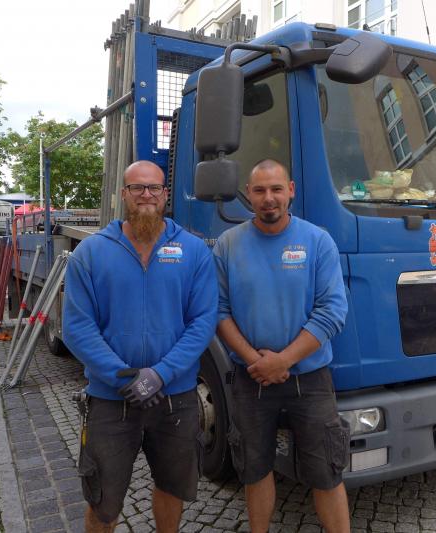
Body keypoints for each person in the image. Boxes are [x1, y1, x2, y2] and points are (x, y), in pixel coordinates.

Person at [62, 161, 217, 533]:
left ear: (165, 194)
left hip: (175, 399)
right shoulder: (92, 252)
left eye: (154, 188)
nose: (146, 195)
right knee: (103, 500)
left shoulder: (193, 251)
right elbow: (78, 327)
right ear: (124, 194)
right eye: (137, 188)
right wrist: (124, 378)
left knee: (172, 488)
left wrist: (160, 375)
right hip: (110, 400)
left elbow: (202, 322)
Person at [213, 159, 351, 533]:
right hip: (251, 379)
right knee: (254, 469)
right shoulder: (228, 245)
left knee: (327, 473)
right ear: (249, 195)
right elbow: (218, 311)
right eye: (259, 190)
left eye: (276, 189)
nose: (268, 198)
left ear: (291, 190)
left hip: (311, 380)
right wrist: (254, 361)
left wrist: (283, 360)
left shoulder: (318, 241)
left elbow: (332, 311)